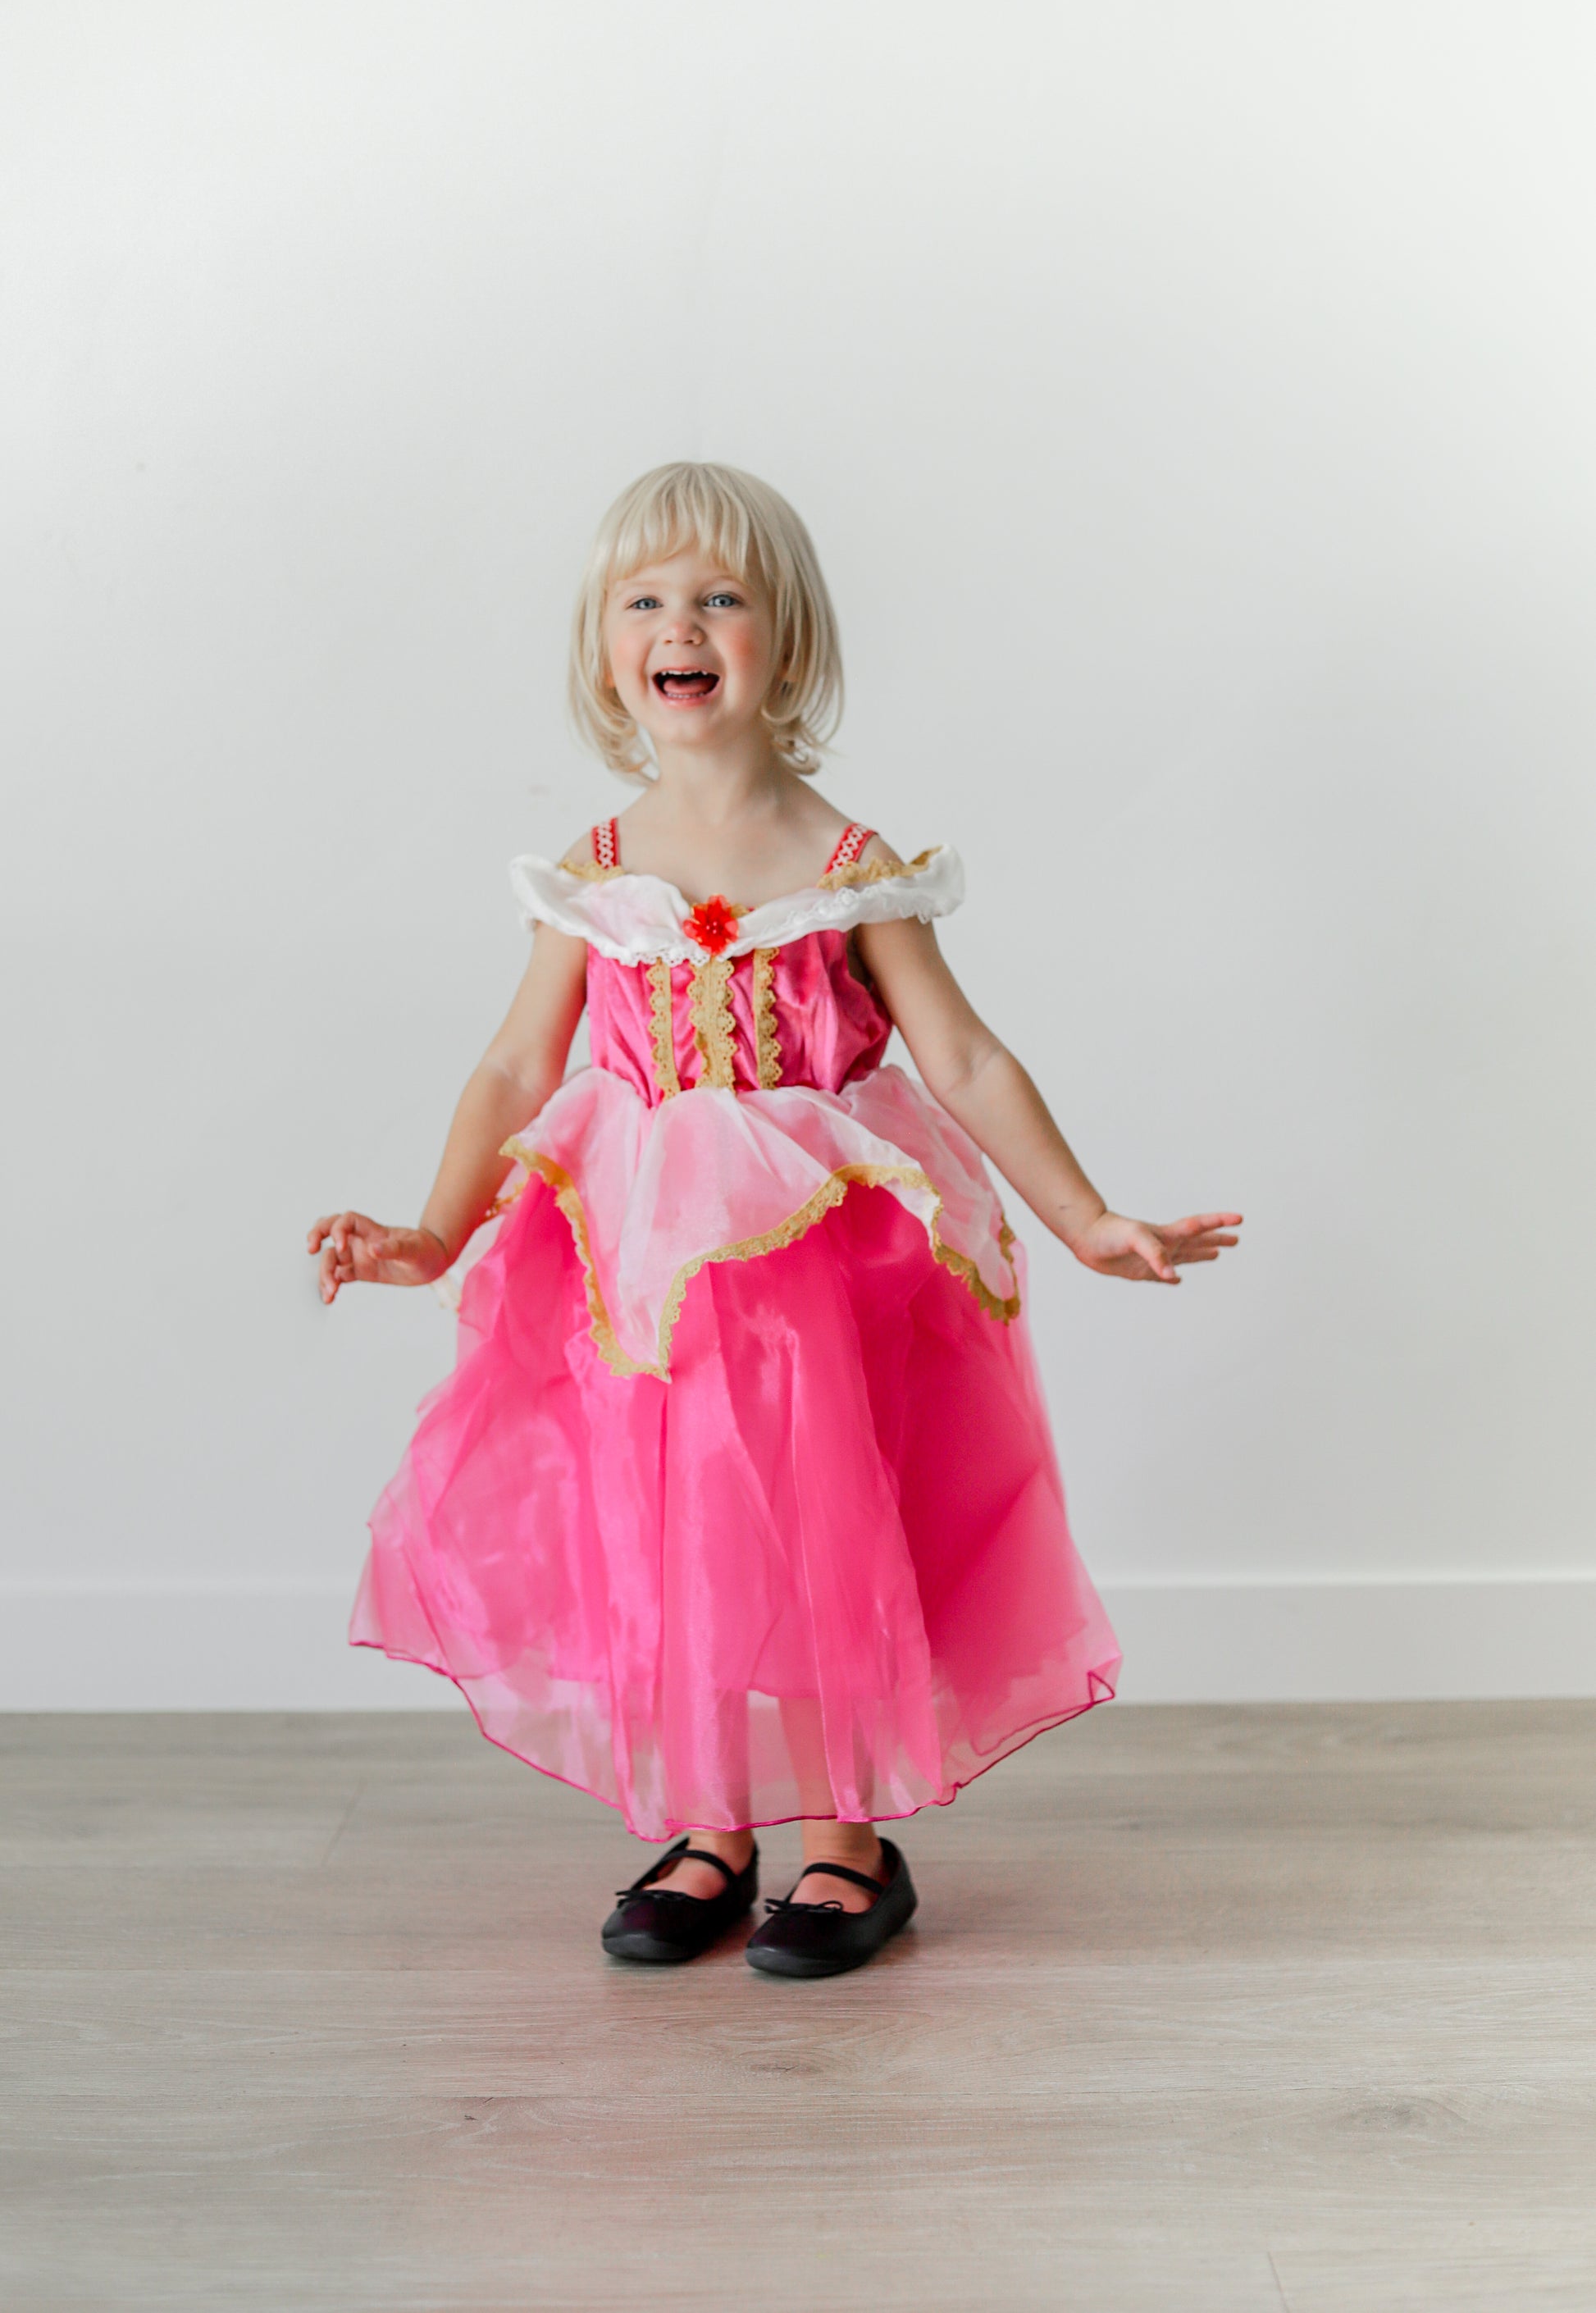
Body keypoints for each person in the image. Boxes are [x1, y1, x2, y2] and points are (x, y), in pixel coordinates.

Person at [308, 461, 1241, 1980]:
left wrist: (1083, 1218)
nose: (680, 627)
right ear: (606, 648)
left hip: (812, 1270)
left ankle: (845, 1841)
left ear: (786, 645)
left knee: (817, 1531)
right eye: (645, 601)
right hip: (640, 1275)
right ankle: (709, 1825)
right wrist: (431, 1233)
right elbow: (516, 1065)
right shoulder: (595, 872)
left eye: (721, 598)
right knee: (670, 1536)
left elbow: (961, 1058)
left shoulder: (848, 867)